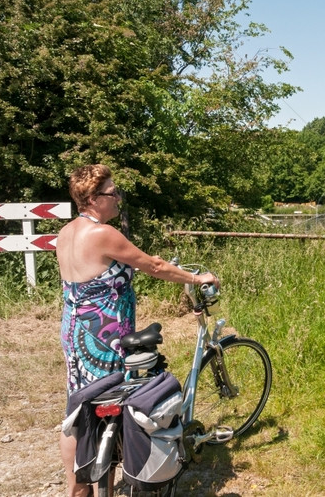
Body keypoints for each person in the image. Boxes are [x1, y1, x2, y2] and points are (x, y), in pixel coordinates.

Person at [56, 164, 218, 497]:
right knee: (107, 412)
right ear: (91, 198)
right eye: (112, 192)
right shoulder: (102, 233)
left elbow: (104, 270)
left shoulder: (67, 232)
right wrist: (196, 278)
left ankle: (78, 488)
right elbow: (155, 267)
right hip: (104, 339)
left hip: (74, 333)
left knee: (77, 412)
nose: (118, 198)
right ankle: (103, 487)